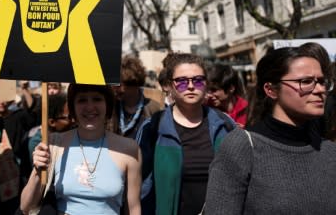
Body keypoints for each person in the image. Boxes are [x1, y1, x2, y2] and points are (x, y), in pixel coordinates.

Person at [204, 43, 336, 214]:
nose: (320, 90)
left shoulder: (329, 151)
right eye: (306, 81)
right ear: (271, 90)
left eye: (321, 81)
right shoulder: (242, 147)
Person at [20, 84, 141, 215]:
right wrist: (37, 170)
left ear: (108, 104)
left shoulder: (129, 149)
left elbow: (134, 208)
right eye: (82, 100)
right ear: (72, 107)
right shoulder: (55, 144)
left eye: (97, 99)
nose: (90, 107)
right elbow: (26, 206)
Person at [137, 52, 235, 215]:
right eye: (181, 82)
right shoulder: (152, 128)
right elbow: (140, 186)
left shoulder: (224, 124)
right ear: (169, 85)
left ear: (206, 84)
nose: (190, 86)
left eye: (198, 80)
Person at [110, 55, 163, 139]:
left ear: (134, 83)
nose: (114, 88)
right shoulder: (110, 106)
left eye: (118, 84)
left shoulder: (154, 108)